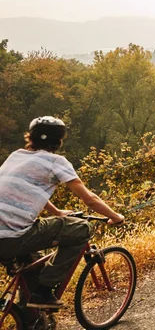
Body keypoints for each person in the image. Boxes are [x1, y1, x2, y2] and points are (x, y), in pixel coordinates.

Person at [0, 116, 125, 309]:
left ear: (30, 137)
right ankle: (43, 292)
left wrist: (57, 212)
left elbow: (25, 190)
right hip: (12, 237)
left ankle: (31, 317)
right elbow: (90, 199)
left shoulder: (17, 155)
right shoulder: (55, 162)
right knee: (82, 228)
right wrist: (115, 216)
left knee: (34, 262)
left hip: (5, 236)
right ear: (59, 140)